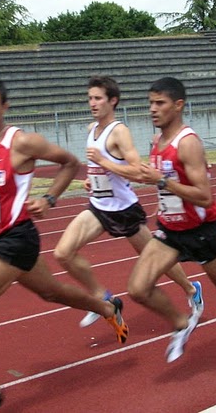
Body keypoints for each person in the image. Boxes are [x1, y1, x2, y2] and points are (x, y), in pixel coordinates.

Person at [0, 76, 129, 412]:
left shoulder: (22, 143)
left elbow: (70, 163)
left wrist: (49, 198)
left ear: (5, 106)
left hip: (18, 239)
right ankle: (108, 308)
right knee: (52, 292)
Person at [128, 77, 216, 363]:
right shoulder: (158, 141)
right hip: (170, 230)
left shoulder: (188, 143)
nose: (152, 109)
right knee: (138, 288)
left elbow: (204, 196)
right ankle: (181, 323)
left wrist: (163, 182)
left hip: (202, 231)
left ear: (178, 105)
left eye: (160, 103)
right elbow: (157, 180)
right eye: (150, 103)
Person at [54, 76, 203, 329]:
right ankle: (104, 298)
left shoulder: (120, 132)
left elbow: (138, 171)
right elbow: (100, 169)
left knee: (155, 259)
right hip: (99, 207)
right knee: (62, 253)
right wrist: (92, 179)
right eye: (90, 98)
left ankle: (191, 288)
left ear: (113, 101)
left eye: (98, 98)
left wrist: (103, 162)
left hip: (124, 210)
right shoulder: (92, 129)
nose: (92, 103)